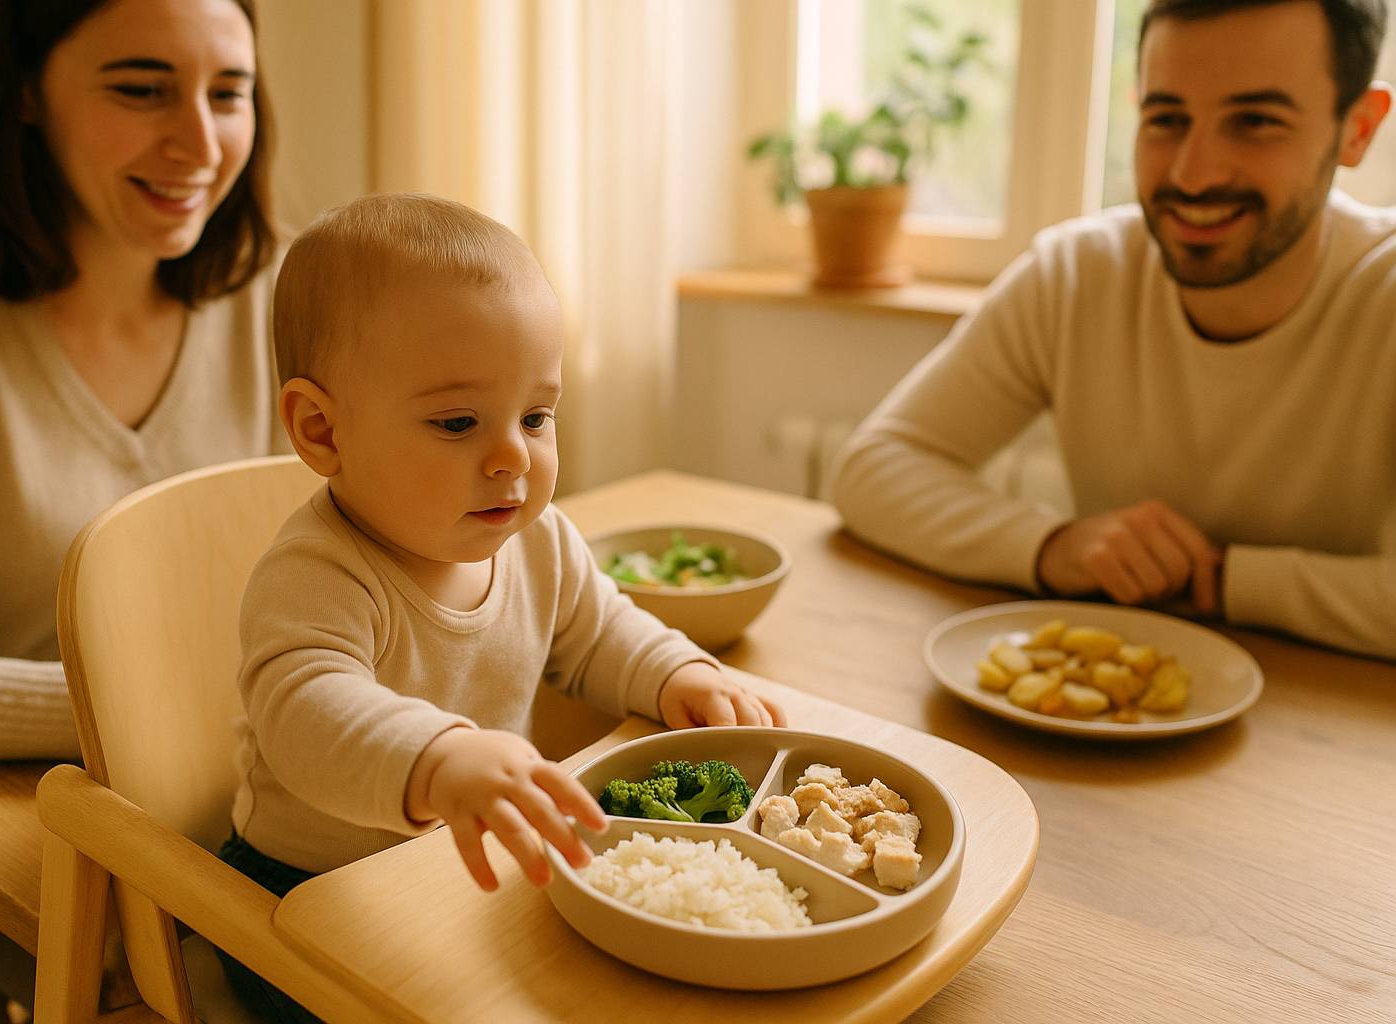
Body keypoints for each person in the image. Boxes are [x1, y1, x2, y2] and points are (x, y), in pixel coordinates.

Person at [223, 193, 786, 1020]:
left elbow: (600, 631)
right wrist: (438, 759)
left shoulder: (538, 540)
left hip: (462, 872)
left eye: (535, 416)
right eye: (458, 422)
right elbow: (306, 714)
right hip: (303, 897)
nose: (512, 456)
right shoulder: (318, 572)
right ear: (322, 430)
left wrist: (673, 672)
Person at [0, 0, 282, 1010]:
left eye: (229, 93)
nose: (199, 142)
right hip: (11, 810)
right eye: (140, 89)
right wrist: (138, 716)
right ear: (20, 92)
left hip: (257, 780)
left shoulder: (290, 292)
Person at [831, 0, 1396, 661]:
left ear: (1358, 129)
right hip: (1116, 701)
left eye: (1255, 122)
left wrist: (1220, 578)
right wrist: (1054, 547)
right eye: (1166, 119)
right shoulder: (1075, 273)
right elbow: (873, 469)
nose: (1193, 174)